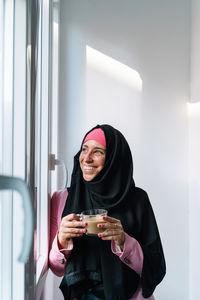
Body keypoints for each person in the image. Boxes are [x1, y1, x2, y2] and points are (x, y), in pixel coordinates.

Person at [49, 124, 166, 300]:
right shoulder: (62, 199)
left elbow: (156, 268)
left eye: (98, 152)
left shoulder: (138, 200)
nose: (86, 159)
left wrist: (124, 241)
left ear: (113, 158)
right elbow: (57, 269)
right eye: (84, 149)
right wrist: (61, 241)